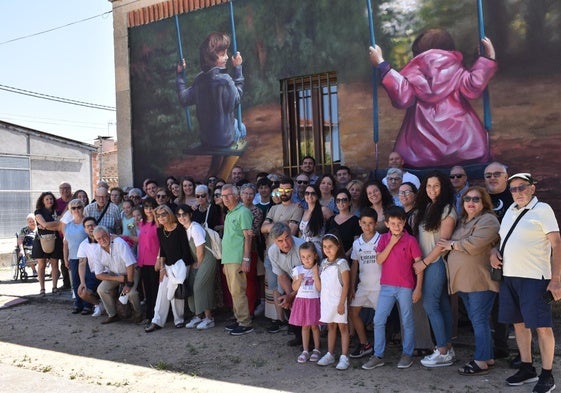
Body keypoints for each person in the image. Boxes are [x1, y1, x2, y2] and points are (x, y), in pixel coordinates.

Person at [369, 30, 497, 168]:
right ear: (450, 48)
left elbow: (402, 98)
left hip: (421, 152)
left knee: (414, 151)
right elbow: (473, 87)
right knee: (468, 144)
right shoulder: (456, 68)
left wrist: (382, 65)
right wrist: (488, 58)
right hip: (464, 147)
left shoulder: (414, 71)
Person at [490, 173, 561, 392]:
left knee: (542, 327)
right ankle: (527, 367)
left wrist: (557, 279)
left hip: (534, 279)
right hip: (510, 277)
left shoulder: (543, 210)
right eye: (513, 189)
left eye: (522, 187)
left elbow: (557, 244)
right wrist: (494, 251)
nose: (518, 192)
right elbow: (503, 241)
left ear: (532, 188)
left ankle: (547, 375)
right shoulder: (511, 211)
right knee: (519, 325)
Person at [437, 186, 500, 375]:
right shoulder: (463, 221)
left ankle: (480, 361)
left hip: (480, 281)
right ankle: (487, 357)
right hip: (464, 282)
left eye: (476, 199)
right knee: (477, 319)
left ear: (484, 202)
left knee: (479, 319)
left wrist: (452, 245)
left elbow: (474, 245)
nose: (471, 203)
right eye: (467, 199)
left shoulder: (489, 220)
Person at [176, 32, 245, 176]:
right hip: (225, 138)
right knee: (242, 128)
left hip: (207, 138)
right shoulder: (226, 80)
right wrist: (238, 69)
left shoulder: (199, 80)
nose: (227, 57)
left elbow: (183, 99)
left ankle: (213, 171)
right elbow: (237, 99)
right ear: (212, 57)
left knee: (221, 133)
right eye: (223, 54)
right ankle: (224, 174)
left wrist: (179, 76)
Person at [362, 206, 422, 370]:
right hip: (387, 286)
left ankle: (407, 353)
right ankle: (378, 355)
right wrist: (392, 243)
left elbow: (418, 265)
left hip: (405, 286)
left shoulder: (411, 240)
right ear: (387, 224)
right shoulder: (383, 239)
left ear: (404, 222)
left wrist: (418, 288)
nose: (396, 226)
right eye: (393, 223)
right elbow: (380, 259)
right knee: (378, 320)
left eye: (399, 223)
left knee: (407, 320)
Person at [411, 171, 457, 367]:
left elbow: (442, 243)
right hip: (427, 263)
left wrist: (424, 263)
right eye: (429, 186)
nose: (432, 190)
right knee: (442, 305)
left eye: (436, 186)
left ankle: (441, 350)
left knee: (430, 305)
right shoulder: (427, 208)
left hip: (436, 263)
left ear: (443, 187)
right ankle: (447, 346)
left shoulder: (447, 210)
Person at [261, 177, 304, 333]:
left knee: (289, 288)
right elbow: (262, 228)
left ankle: (294, 321)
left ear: (292, 191)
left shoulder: (297, 208)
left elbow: (291, 231)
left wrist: (271, 228)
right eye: (281, 190)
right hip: (270, 254)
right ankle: (280, 320)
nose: (284, 193)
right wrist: (282, 224)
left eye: (287, 190)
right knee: (274, 288)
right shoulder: (273, 208)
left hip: (288, 254)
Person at [145, 205, 193, 332]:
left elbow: (185, 251)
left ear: (169, 214)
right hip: (167, 266)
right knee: (162, 292)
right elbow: (163, 251)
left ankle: (179, 320)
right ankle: (157, 321)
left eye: (163, 214)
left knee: (175, 291)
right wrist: (162, 268)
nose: (161, 217)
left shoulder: (179, 229)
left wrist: (179, 268)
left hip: (181, 264)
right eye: (158, 215)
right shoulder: (160, 230)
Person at [484, 161, 514, 360]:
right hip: (485, 258)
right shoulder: (479, 198)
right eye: (488, 175)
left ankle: (522, 351)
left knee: (513, 303)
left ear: (506, 177)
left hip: (511, 258)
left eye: (497, 174)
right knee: (494, 305)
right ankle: (500, 346)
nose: (492, 178)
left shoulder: (515, 197)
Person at [221, 184, 254, 336]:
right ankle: (239, 318)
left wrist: (246, 259)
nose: (225, 198)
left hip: (238, 258)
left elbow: (248, 237)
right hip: (228, 259)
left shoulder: (243, 212)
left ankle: (245, 323)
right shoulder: (229, 213)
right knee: (234, 291)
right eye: (223, 195)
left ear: (236, 196)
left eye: (228, 195)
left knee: (238, 291)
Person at [177, 205, 217, 330]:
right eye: (179, 215)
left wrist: (199, 264)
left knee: (200, 286)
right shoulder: (185, 229)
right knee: (191, 285)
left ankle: (209, 318)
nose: (182, 217)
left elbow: (200, 250)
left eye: (184, 214)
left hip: (206, 260)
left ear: (190, 214)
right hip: (197, 261)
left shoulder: (195, 228)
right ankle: (198, 316)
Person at [349, 208, 381, 359]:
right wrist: (352, 287)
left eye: (370, 223)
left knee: (379, 320)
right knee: (353, 312)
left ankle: (380, 349)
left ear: (376, 224)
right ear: (359, 223)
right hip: (363, 286)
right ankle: (365, 344)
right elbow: (354, 265)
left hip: (379, 287)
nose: (367, 226)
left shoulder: (382, 239)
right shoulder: (357, 243)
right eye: (364, 223)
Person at [92, 226, 142, 324]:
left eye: (104, 236)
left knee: (131, 293)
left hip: (131, 271)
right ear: (95, 239)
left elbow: (130, 264)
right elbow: (98, 274)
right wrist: (117, 278)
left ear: (108, 234)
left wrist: (129, 283)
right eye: (99, 238)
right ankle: (112, 314)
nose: (102, 240)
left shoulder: (119, 243)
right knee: (101, 289)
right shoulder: (97, 251)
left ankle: (139, 314)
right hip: (115, 274)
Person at [316, 234, 351, 370]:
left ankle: (344, 356)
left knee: (342, 327)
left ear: (338, 246)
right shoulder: (323, 263)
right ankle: (330, 354)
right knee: (330, 326)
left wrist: (342, 303)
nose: (327, 249)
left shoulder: (342, 264)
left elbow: (346, 285)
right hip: (327, 301)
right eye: (325, 247)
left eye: (330, 246)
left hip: (338, 301)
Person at [289, 242, 322, 364]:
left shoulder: (318, 268)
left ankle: (317, 349)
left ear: (315, 256)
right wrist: (299, 279)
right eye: (303, 257)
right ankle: (305, 350)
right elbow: (294, 287)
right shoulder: (298, 270)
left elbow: (319, 288)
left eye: (309, 256)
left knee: (314, 325)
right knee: (305, 326)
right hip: (302, 301)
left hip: (313, 300)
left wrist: (316, 274)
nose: (306, 259)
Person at [32, 191, 62, 296]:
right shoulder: (38, 212)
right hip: (41, 240)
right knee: (41, 265)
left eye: (51, 199)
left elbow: (59, 225)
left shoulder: (57, 211)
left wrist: (46, 225)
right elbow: (45, 223)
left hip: (55, 239)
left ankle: (55, 287)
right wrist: (50, 225)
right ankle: (42, 289)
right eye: (47, 199)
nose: (49, 201)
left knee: (55, 264)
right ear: (43, 201)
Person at [136, 197, 160, 325]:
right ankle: (149, 315)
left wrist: (159, 260)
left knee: (156, 289)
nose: (149, 210)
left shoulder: (158, 223)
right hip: (143, 260)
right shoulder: (141, 223)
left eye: (151, 207)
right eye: (146, 207)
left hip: (155, 261)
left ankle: (157, 316)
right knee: (148, 291)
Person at [62, 199, 89, 314]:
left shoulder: (87, 223)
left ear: (83, 208)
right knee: (75, 282)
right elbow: (65, 243)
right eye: (73, 208)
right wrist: (65, 258)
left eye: (79, 207)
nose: (76, 210)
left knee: (86, 281)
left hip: (86, 258)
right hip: (73, 257)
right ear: (70, 210)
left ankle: (87, 304)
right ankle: (78, 303)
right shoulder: (68, 226)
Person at [76, 217, 104, 317]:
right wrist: (82, 282)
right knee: (82, 292)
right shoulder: (83, 244)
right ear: (85, 229)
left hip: (108, 273)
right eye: (88, 226)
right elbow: (82, 263)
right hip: (94, 274)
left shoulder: (106, 239)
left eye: (93, 225)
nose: (91, 228)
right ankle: (98, 305)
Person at [325, 188, 361, 256]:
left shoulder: (356, 220)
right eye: (338, 200)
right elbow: (326, 241)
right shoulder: (330, 220)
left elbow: (357, 242)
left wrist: (345, 256)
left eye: (344, 200)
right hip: (332, 258)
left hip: (349, 258)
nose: (341, 203)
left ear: (350, 202)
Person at [299, 183, 332, 250]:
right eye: (307, 193)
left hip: (317, 249)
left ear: (317, 196)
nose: (309, 195)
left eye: (313, 193)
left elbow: (333, 228)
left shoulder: (324, 210)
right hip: (304, 249)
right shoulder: (304, 211)